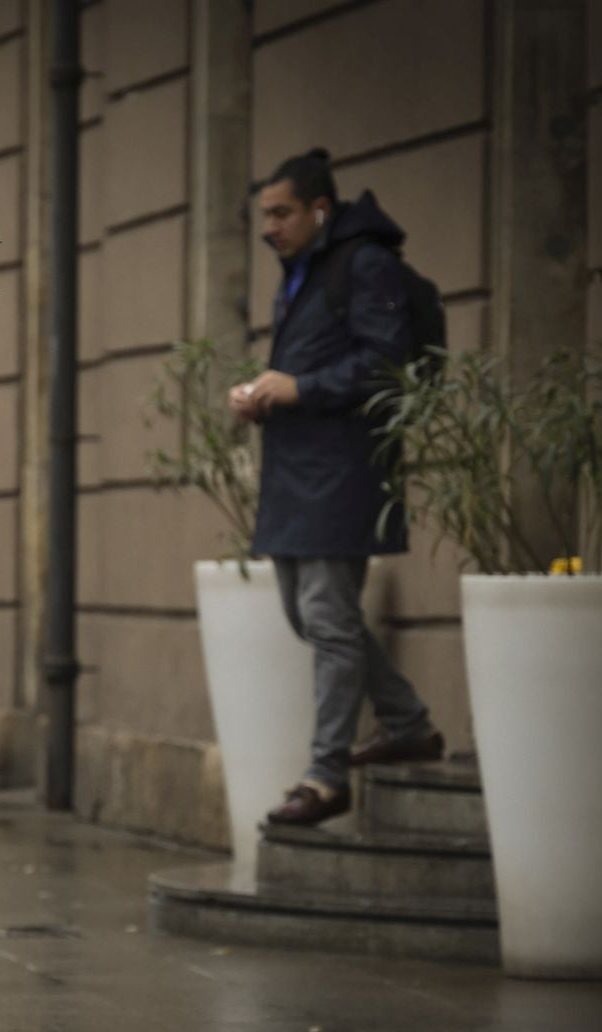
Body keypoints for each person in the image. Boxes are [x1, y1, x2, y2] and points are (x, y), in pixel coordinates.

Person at [229, 147, 443, 828]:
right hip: (299, 472)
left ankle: (325, 776)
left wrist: (301, 387)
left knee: (326, 619)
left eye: (282, 212)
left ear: (320, 209)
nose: (271, 226)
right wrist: (267, 393)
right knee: (311, 615)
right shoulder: (304, 271)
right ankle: (407, 720)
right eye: (265, 214)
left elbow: (388, 364)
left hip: (342, 473)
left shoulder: (364, 263)